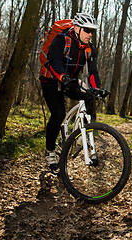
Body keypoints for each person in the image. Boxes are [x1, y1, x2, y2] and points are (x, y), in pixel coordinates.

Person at [39, 13, 101, 170]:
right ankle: (50, 150)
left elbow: (92, 72)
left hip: (70, 81)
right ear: (77, 28)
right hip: (51, 79)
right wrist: (64, 77)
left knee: (89, 95)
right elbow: (54, 61)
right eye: (87, 30)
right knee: (58, 113)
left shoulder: (89, 48)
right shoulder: (61, 40)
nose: (90, 34)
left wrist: (98, 89)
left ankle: (82, 135)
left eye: (92, 31)